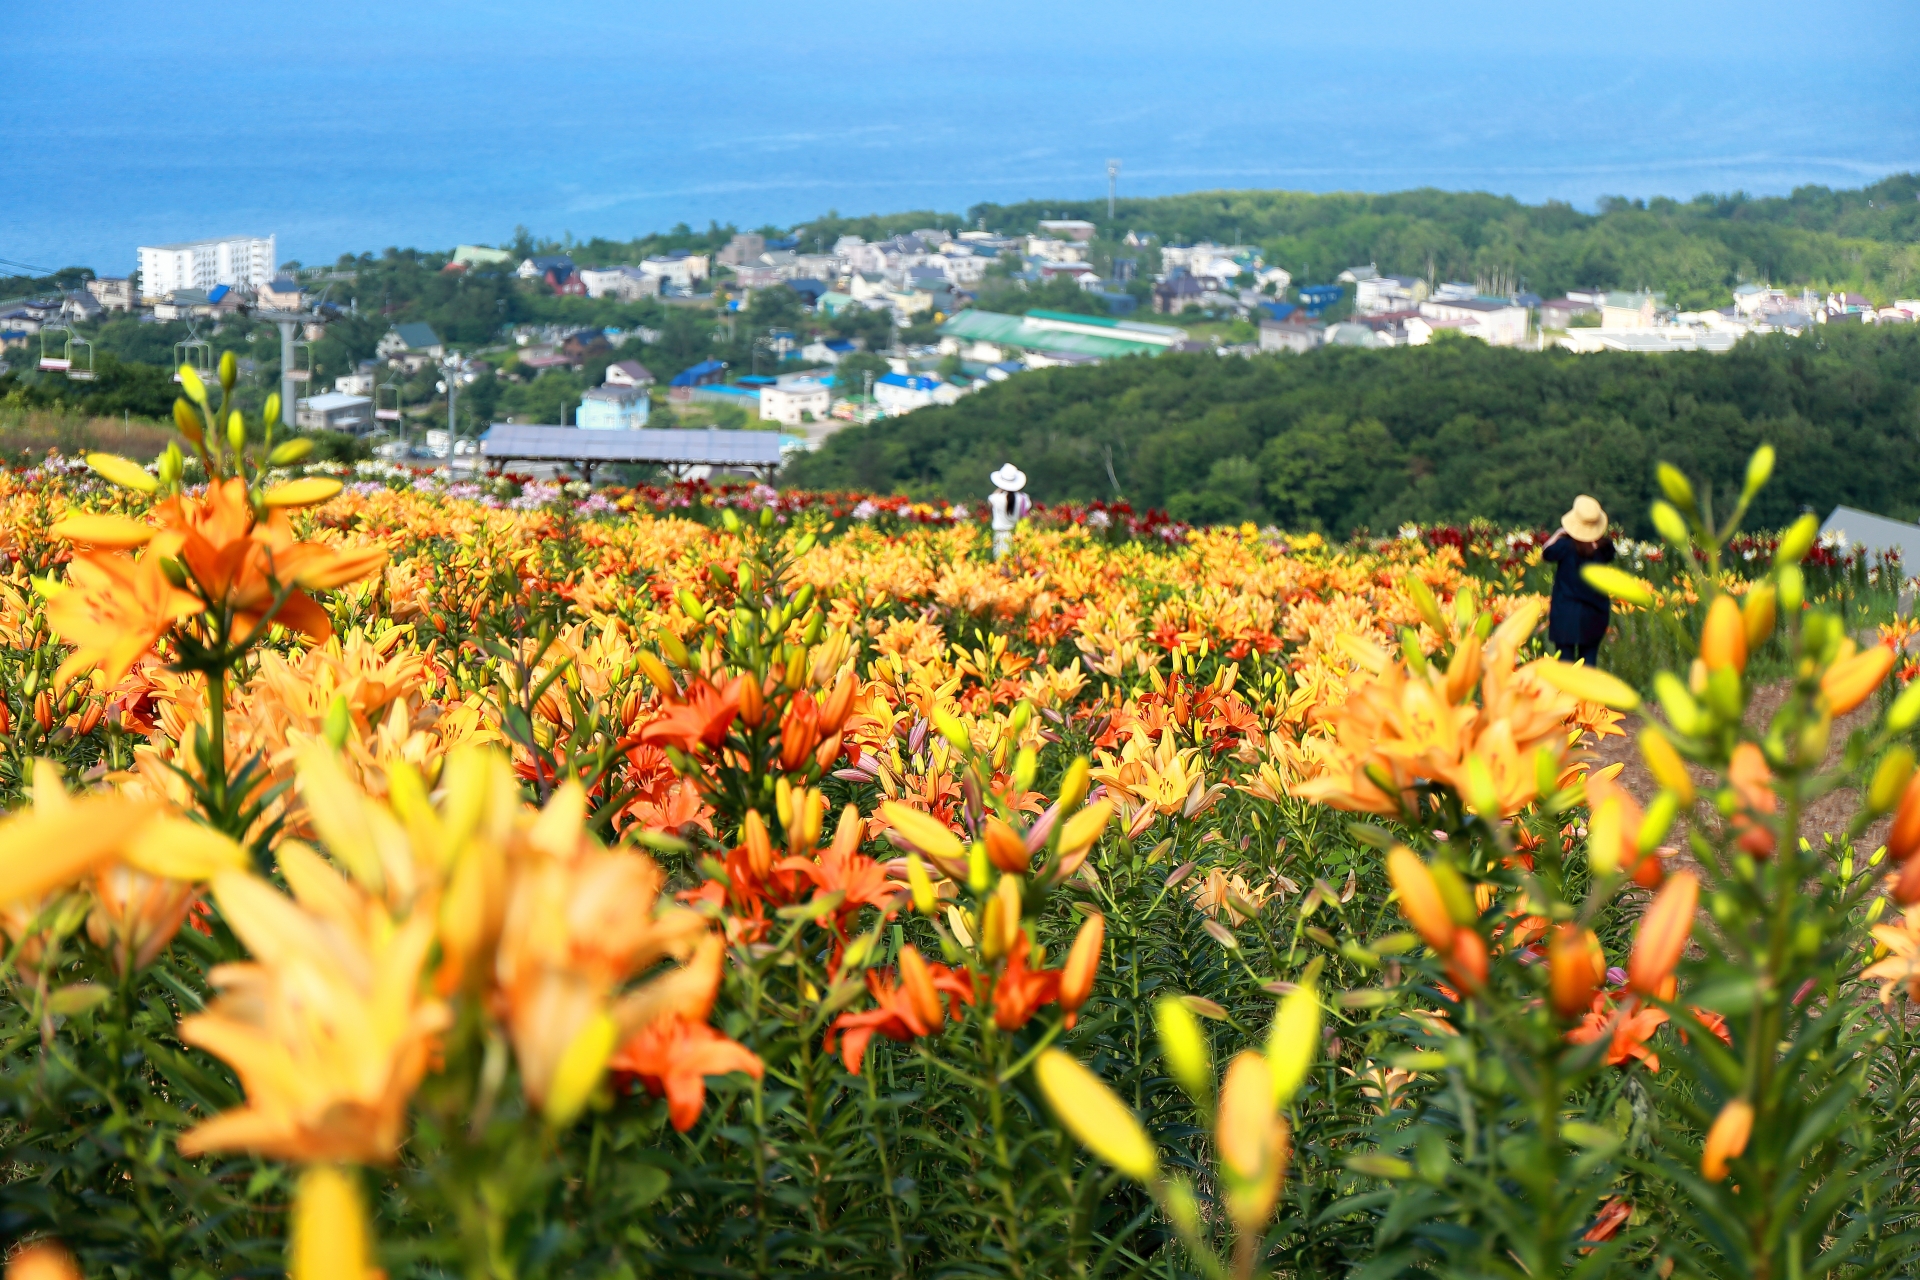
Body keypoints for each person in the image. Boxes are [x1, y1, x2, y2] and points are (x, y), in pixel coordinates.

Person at [1543, 494, 1617, 665]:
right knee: (1588, 663)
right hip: (1594, 613)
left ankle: (1566, 693)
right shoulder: (1605, 547)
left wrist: (1559, 533)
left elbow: (1545, 553)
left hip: (1565, 613)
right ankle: (1587, 693)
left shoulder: (1564, 546)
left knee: (1565, 666)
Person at [987, 463, 1031, 560]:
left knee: (1001, 565)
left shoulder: (996, 498)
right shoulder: (1023, 498)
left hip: (1000, 536)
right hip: (1017, 536)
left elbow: (990, 501)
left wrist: (1000, 487)